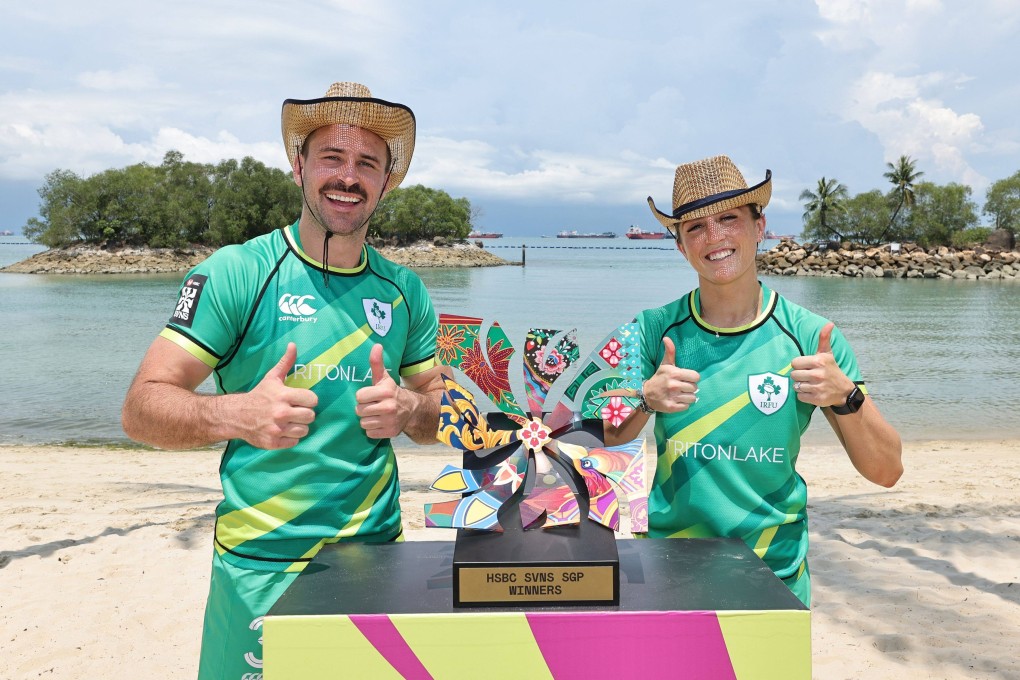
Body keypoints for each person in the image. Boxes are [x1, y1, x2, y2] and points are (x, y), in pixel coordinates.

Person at [121, 82, 446, 679]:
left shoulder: (406, 291)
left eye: (366, 163)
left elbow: (441, 413)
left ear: (386, 182)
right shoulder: (236, 272)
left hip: (373, 558)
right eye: (331, 157)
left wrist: (410, 409)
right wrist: (235, 414)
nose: (347, 176)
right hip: (259, 561)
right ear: (299, 166)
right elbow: (141, 408)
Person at [607, 155, 902, 607]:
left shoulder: (812, 337)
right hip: (670, 567)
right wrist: (645, 399)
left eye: (729, 219)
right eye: (695, 227)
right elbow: (589, 444)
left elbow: (886, 471)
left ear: (760, 227)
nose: (715, 237)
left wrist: (845, 396)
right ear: (680, 246)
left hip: (774, 572)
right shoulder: (649, 329)